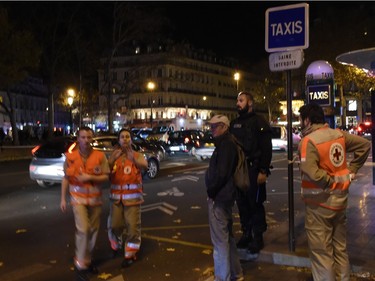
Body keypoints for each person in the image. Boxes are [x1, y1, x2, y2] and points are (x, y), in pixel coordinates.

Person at [298, 103, 370, 281]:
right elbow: (365, 145)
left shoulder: (309, 141)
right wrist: (351, 170)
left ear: (307, 120)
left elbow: (312, 173)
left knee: (322, 254)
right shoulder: (339, 135)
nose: (300, 123)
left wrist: (329, 182)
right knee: (340, 249)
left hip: (319, 205)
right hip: (340, 201)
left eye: (301, 120)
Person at [60, 126, 110, 281]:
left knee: (93, 232)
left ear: (92, 139)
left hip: (95, 199)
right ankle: (80, 265)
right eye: (83, 137)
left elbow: (106, 176)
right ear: (78, 139)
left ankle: (86, 261)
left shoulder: (100, 156)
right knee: (84, 229)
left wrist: (90, 178)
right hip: (78, 199)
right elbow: (66, 178)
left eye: (89, 137)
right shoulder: (70, 158)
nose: (86, 140)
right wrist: (63, 198)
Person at [229, 91, 272, 254]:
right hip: (239, 170)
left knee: (255, 203)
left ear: (250, 103)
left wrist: (263, 170)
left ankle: (257, 237)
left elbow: (266, 149)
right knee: (242, 204)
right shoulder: (234, 124)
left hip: (254, 169)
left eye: (241, 100)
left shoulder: (259, 122)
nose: (238, 103)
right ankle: (246, 233)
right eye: (237, 100)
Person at [205, 114, 244, 281]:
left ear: (224, 127)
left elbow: (222, 173)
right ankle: (236, 273)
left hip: (220, 197)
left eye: (216, 126)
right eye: (212, 126)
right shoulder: (228, 142)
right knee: (228, 238)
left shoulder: (226, 145)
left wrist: (211, 192)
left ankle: (222, 277)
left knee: (220, 242)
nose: (212, 129)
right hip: (226, 196)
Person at [107, 129, 148, 268]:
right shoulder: (113, 156)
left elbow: (145, 166)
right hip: (116, 199)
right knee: (114, 225)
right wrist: (112, 160)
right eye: (122, 137)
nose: (125, 139)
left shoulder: (137, 155)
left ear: (131, 140)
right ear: (118, 140)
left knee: (133, 228)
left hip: (133, 199)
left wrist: (134, 160)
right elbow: (105, 171)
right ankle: (115, 245)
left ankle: (130, 254)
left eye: (127, 137)